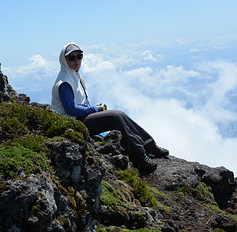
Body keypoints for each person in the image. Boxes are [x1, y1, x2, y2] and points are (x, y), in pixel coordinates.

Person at [51, 42, 169, 174]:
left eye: (79, 56)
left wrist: (95, 109)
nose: (77, 60)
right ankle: (140, 157)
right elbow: (70, 109)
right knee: (115, 116)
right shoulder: (64, 82)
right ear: (64, 60)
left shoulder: (73, 75)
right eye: (71, 58)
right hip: (74, 122)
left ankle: (149, 145)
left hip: (80, 118)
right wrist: (95, 109)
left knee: (120, 115)